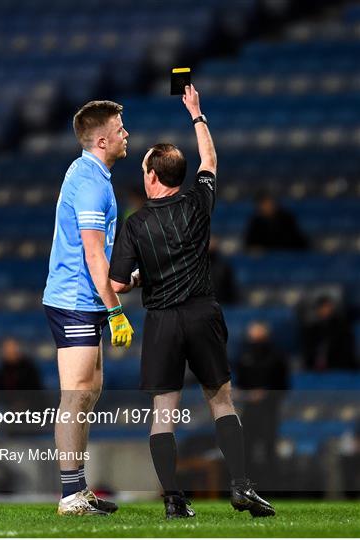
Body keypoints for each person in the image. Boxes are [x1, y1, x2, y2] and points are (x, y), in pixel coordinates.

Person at [109, 85, 275, 519]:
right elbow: (211, 161)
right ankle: (241, 488)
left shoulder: (136, 224)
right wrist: (197, 115)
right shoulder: (198, 203)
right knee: (221, 401)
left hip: (162, 319)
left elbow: (118, 283)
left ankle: (174, 501)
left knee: (164, 411)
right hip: (203, 312)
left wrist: (143, 276)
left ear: (151, 176)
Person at [42, 100, 135, 516]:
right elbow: (94, 256)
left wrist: (121, 283)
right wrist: (116, 310)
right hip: (76, 301)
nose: (125, 134)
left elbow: (100, 256)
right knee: (76, 395)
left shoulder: (90, 173)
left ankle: (77, 489)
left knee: (89, 393)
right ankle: (68, 495)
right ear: (102, 140)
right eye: (119, 128)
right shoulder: (92, 183)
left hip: (86, 298)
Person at [235, 322, 289, 489]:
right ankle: (248, 488)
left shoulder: (276, 357)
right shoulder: (244, 357)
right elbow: (240, 383)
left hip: (269, 410)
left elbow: (283, 385)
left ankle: (273, 488)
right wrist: (240, 392)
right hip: (249, 410)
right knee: (246, 448)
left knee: (268, 449)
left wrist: (265, 393)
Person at [301, 296, 357, 371]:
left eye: (327, 307)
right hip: (316, 371)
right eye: (322, 307)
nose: (324, 310)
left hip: (339, 368)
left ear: (332, 308)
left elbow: (347, 351)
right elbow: (308, 352)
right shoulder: (312, 329)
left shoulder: (342, 328)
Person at [244, 191, 309, 251]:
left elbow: (297, 241)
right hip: (265, 259)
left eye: (270, 202)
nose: (267, 206)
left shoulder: (287, 219)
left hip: (287, 256)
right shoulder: (255, 222)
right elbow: (250, 243)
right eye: (263, 203)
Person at [209, 235, 238, 305]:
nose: (210, 242)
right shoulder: (196, 266)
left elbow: (231, 292)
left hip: (223, 306)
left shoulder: (224, 267)